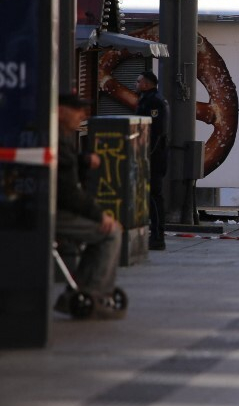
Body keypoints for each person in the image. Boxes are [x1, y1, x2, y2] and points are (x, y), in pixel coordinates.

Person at [54, 94, 126, 320]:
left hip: (46, 206)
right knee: (110, 232)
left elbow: (65, 166)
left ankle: (80, 289)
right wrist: (98, 215)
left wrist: (82, 161)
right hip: (51, 211)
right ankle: (94, 293)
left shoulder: (58, 135)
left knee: (104, 231)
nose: (82, 116)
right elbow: (68, 193)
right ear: (61, 110)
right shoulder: (55, 136)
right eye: (77, 110)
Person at [136, 71, 169, 250]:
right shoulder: (147, 99)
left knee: (154, 195)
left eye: (139, 81)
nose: (136, 83)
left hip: (154, 157)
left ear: (147, 84)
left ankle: (158, 237)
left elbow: (156, 132)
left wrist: (147, 154)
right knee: (149, 196)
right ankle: (153, 234)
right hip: (151, 155)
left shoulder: (154, 101)